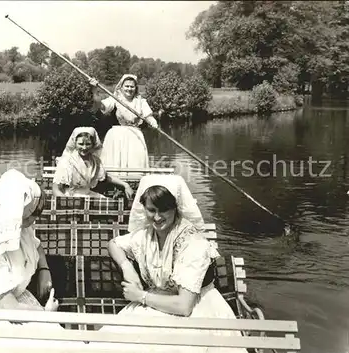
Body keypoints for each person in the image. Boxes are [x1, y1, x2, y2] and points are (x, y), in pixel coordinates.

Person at [96, 174, 247, 353]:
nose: (157, 217)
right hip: (155, 306)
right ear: (143, 207)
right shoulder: (146, 235)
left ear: (176, 207)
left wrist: (140, 296)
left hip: (195, 313)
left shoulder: (192, 242)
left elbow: (184, 306)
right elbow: (114, 244)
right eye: (151, 210)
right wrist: (127, 268)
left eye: (164, 209)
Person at [0, 169, 81, 348]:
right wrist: (46, 314)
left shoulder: (18, 228)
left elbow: (37, 245)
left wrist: (44, 271)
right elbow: (8, 309)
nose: (36, 218)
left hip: (17, 300)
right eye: (33, 214)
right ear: (18, 214)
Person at [89, 74, 158, 175]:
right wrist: (94, 89)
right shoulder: (114, 99)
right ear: (121, 87)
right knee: (114, 163)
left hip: (135, 136)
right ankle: (114, 183)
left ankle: (135, 183)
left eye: (132, 86)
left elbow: (148, 116)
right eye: (126, 86)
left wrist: (153, 122)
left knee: (135, 163)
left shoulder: (141, 101)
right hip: (116, 136)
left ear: (136, 88)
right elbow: (101, 106)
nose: (129, 89)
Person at [52, 126, 134, 199]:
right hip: (70, 196)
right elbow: (56, 189)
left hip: (88, 195)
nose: (84, 148)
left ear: (93, 144)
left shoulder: (95, 161)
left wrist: (125, 185)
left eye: (88, 144)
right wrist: (67, 203)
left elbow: (105, 177)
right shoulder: (67, 161)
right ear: (75, 143)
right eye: (80, 144)